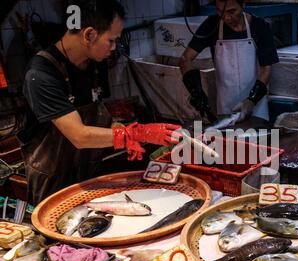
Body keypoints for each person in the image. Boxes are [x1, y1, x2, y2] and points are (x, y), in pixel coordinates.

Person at [17, 0, 181, 206]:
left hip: (90, 175)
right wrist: (131, 135)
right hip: (53, 184)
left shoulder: (95, 64)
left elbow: (98, 114)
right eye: (111, 40)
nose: (114, 48)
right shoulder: (41, 74)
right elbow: (79, 135)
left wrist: (120, 129)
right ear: (89, 35)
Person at [179, 0, 279, 124]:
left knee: (257, 141)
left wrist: (251, 100)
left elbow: (266, 68)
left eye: (232, 11)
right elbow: (185, 59)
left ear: (243, 4)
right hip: (226, 108)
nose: (226, 17)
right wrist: (196, 92)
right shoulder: (212, 25)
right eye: (220, 11)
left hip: (256, 106)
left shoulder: (260, 26)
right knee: (229, 142)